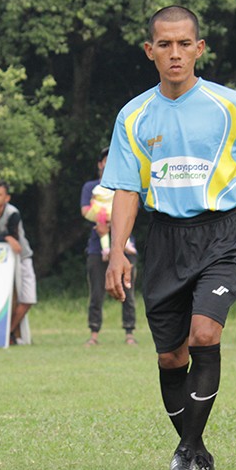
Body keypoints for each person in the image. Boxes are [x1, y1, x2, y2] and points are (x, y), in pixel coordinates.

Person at [102, 6, 236, 470]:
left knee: (204, 336)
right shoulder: (133, 115)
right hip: (164, 241)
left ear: (199, 48)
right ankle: (197, 449)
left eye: (184, 43)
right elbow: (126, 189)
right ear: (149, 51)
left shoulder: (230, 106)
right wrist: (116, 253)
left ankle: (186, 453)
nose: (175, 53)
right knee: (171, 358)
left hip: (220, 235)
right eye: (164, 44)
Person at [80, 147, 137, 346]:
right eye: (105, 160)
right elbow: (86, 210)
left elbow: (131, 210)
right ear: (100, 164)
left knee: (128, 292)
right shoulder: (90, 187)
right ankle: (94, 333)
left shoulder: (127, 185)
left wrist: (115, 224)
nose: (108, 163)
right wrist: (103, 222)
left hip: (125, 247)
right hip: (97, 248)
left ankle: (129, 333)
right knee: (96, 293)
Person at [0, 179, 36, 345]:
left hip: (22, 257)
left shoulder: (13, 213)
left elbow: (15, 239)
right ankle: (5, 334)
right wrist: (5, 237)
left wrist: (5, 238)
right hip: (1, 259)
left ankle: (8, 331)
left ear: (7, 198)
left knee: (28, 298)